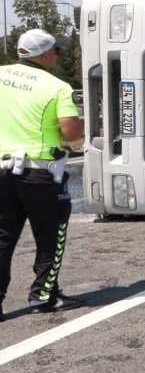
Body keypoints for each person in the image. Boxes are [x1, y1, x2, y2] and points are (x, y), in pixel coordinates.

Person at [0, 29, 85, 321]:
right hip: (39, 173)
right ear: (46, 54)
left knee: (3, 236)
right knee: (51, 234)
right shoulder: (57, 87)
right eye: (56, 51)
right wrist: (77, 137)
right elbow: (72, 134)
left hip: (1, 169)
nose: (57, 55)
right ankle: (43, 295)